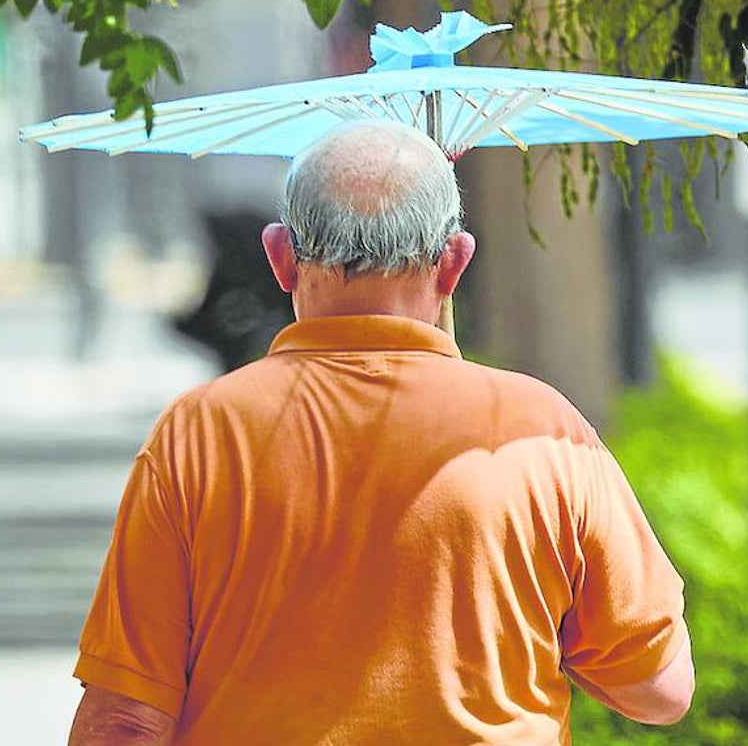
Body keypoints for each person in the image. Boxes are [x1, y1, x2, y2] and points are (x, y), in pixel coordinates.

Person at [68, 119, 693, 746]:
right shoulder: (542, 433)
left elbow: (125, 720)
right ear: (453, 263)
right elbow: (660, 690)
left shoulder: (200, 434)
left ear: (281, 258)